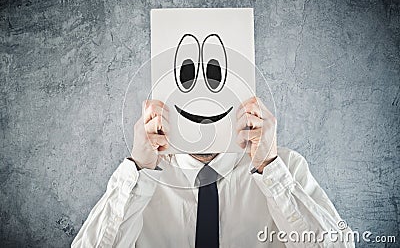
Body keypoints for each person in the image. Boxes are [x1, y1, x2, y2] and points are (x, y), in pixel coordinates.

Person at [72, 97, 354, 247]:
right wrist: (138, 168)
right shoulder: (140, 181)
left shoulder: (285, 167)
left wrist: (270, 167)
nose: (203, 107)